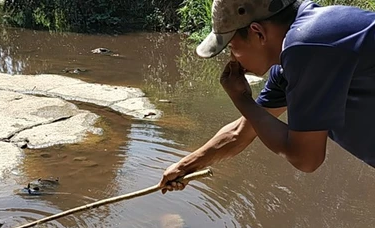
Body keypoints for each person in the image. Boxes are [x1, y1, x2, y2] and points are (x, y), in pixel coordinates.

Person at [159, 0, 375, 194]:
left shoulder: (306, 46)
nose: (232, 57)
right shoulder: (289, 64)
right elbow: (240, 133)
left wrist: (242, 99)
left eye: (232, 47)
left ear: (258, 33)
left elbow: (306, 158)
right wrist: (185, 167)